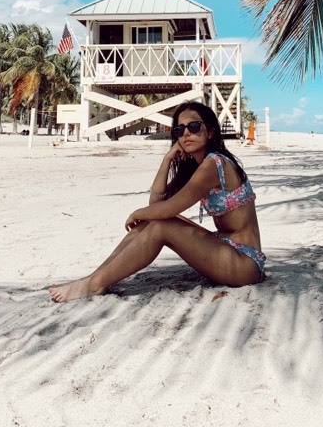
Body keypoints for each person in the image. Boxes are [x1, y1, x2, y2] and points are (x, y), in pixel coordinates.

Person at [48, 101, 265, 302]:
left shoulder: (213, 164)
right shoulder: (199, 167)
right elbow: (157, 204)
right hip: (226, 250)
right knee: (153, 221)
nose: (186, 134)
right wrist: (167, 159)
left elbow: (167, 209)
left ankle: (95, 284)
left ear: (210, 131)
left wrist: (137, 213)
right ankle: (93, 280)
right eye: (180, 130)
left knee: (160, 223)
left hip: (244, 263)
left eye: (194, 127)